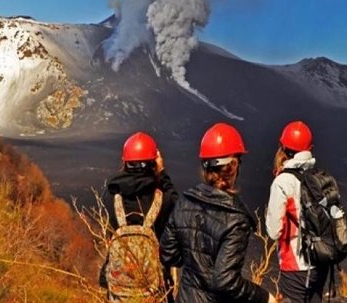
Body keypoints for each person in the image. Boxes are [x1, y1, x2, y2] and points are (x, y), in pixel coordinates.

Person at [160, 122, 278, 303]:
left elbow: (168, 254)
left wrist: (196, 261)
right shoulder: (236, 219)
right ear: (232, 166)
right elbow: (225, 281)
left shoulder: (184, 202)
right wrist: (265, 297)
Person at [100, 131, 178, 302]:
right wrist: (162, 173)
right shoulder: (163, 198)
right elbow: (177, 205)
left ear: (125, 162)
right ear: (153, 163)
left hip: (118, 295)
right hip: (156, 294)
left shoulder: (110, 196)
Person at [266, 121, 330, 303]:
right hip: (320, 261)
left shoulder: (283, 181)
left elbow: (273, 231)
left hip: (295, 266)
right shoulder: (318, 177)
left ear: (283, 147)